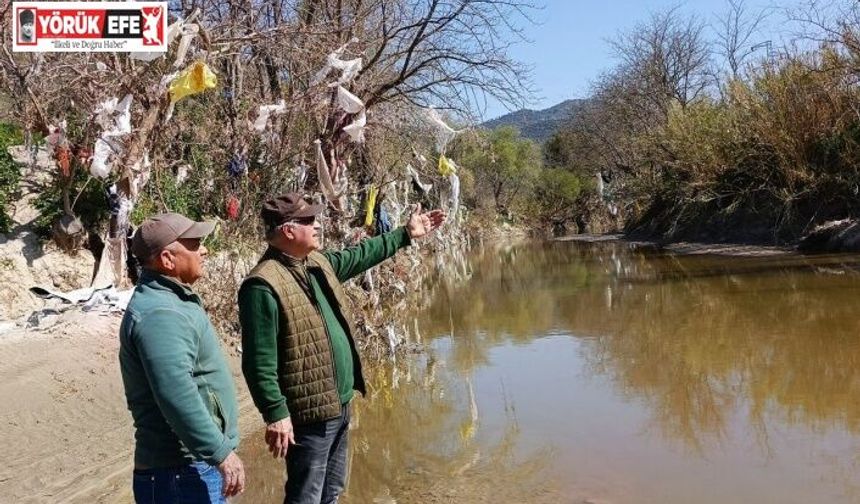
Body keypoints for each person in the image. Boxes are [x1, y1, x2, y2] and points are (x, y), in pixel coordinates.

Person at [239, 193, 445, 503]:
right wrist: (275, 412)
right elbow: (259, 361)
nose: (318, 224)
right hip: (308, 414)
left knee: (331, 491)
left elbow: (360, 255)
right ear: (288, 230)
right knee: (305, 496)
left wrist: (405, 234)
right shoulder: (262, 285)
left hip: (339, 401)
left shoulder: (317, 263)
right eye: (310, 220)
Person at [119, 213, 245, 503]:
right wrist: (220, 452)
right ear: (167, 259)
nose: (204, 250)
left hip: (186, 470)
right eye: (195, 243)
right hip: (179, 473)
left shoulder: (172, 301)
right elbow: (176, 392)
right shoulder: (160, 314)